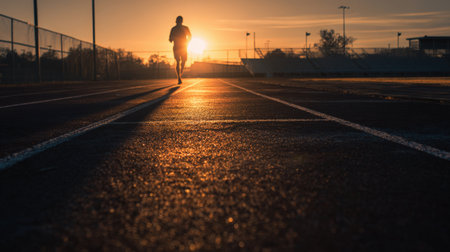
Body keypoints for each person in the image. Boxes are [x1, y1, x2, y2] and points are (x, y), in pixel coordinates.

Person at [169, 16, 191, 84]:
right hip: (176, 47)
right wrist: (172, 39)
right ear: (176, 21)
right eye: (178, 21)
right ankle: (179, 77)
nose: (179, 22)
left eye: (180, 21)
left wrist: (187, 41)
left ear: (182, 21)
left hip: (184, 47)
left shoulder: (185, 28)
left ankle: (180, 73)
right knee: (178, 61)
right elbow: (170, 39)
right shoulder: (173, 29)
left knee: (184, 61)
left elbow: (190, 36)